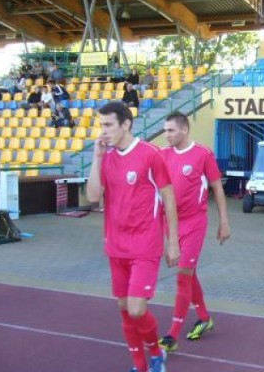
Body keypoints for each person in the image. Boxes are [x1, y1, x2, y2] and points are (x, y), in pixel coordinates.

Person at [86, 101, 179, 372]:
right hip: (115, 245)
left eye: (108, 125)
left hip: (145, 245)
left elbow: (169, 198)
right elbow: (93, 197)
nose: (103, 131)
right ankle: (140, 366)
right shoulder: (107, 157)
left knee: (137, 309)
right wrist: (97, 157)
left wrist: (172, 242)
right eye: (101, 125)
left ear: (125, 124)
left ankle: (156, 351)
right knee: (124, 308)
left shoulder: (151, 154)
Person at [158, 112, 231, 352]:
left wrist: (224, 221)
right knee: (189, 273)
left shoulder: (203, 153)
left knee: (182, 274)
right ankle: (204, 317)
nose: (166, 135)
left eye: (170, 130)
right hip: (171, 223)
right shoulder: (162, 155)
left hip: (195, 222)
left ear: (184, 130)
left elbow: (217, 188)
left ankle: (172, 335)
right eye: (165, 130)